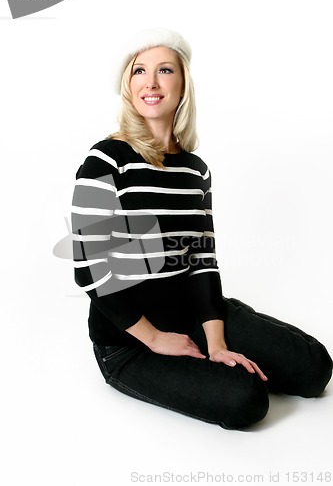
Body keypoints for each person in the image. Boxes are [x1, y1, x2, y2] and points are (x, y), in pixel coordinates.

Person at [71, 28, 332, 430]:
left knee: (315, 370)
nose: (151, 82)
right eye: (139, 71)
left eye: (164, 70)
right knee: (246, 402)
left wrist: (217, 343)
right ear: (128, 85)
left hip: (194, 314)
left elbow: (202, 259)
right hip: (129, 343)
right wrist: (157, 338)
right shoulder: (105, 159)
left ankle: (228, 331)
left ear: (183, 83)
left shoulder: (196, 171)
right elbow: (89, 265)